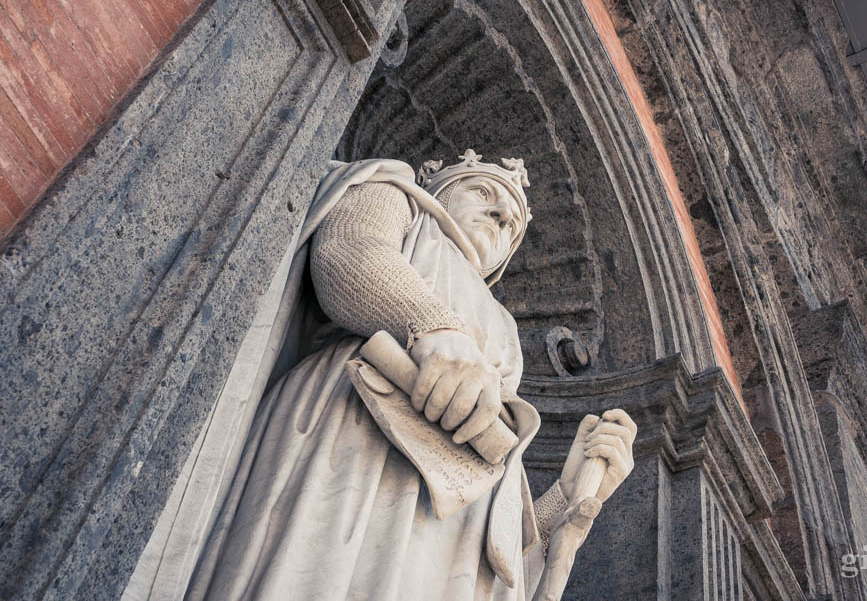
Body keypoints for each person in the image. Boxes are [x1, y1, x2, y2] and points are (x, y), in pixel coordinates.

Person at [186, 151, 636, 600]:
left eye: (513, 225)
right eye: (483, 192)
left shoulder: (505, 326)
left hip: (454, 511)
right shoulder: (397, 199)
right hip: (355, 426)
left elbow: (486, 545)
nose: (502, 215)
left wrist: (564, 498)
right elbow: (348, 251)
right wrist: (435, 327)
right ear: (440, 192)